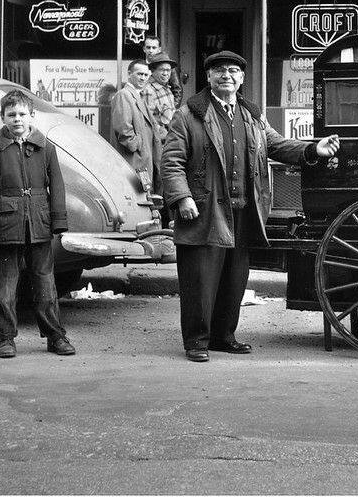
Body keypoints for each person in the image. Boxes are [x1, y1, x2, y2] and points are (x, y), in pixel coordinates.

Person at [161, 50, 340, 362]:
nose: (226, 76)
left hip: (244, 211)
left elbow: (278, 146)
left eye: (233, 71)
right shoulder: (189, 115)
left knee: (234, 279)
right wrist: (182, 197)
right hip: (204, 210)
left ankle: (223, 336)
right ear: (209, 77)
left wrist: (313, 149)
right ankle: (196, 342)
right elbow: (171, 161)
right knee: (200, 280)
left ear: (241, 78)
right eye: (219, 71)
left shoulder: (251, 115)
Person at [0, 89, 75, 359]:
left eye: (22, 114)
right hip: (7, 227)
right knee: (5, 287)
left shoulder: (46, 148)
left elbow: (57, 185)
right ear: (2, 117)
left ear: (32, 116)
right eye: (11, 114)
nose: (17, 119)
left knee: (45, 284)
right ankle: (6, 339)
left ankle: (56, 337)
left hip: (39, 225)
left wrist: (58, 221)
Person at [111, 59, 161, 194]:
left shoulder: (137, 96)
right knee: (138, 200)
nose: (143, 78)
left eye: (146, 75)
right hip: (135, 161)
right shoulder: (124, 95)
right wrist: (139, 146)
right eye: (139, 74)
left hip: (142, 160)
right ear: (129, 74)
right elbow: (124, 131)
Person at [141, 51, 178, 144]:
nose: (166, 73)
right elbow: (148, 122)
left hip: (171, 139)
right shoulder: (148, 90)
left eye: (168, 70)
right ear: (153, 71)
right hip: (160, 142)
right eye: (162, 70)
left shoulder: (166, 88)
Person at [143, 34, 183, 106]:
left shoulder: (168, 67)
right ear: (144, 49)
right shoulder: (140, 66)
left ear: (159, 49)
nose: (151, 51)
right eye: (148, 47)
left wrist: (171, 108)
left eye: (154, 48)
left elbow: (177, 90)